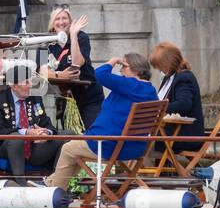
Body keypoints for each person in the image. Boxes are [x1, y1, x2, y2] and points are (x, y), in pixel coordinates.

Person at [46, 52, 158, 189]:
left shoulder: (130, 85)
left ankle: (54, 192)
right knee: (75, 150)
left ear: (135, 69)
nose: (121, 70)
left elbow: (98, 74)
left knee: (68, 148)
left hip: (110, 146)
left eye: (124, 66)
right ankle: (51, 183)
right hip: (135, 147)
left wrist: (113, 60)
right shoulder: (150, 91)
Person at [0, 60, 62, 183]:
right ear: (14, 85)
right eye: (26, 82)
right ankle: (21, 186)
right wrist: (26, 132)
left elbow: (46, 122)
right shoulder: (0, 100)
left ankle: (55, 181)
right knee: (16, 139)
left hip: (35, 148)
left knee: (67, 135)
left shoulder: (35, 98)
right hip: (9, 148)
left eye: (31, 81)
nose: (30, 85)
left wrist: (46, 133)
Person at [39, 6, 104, 129]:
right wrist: (60, 76)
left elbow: (77, 63)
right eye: (57, 19)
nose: (61, 22)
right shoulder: (46, 43)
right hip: (66, 100)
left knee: (92, 135)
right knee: (70, 138)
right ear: (52, 24)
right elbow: (42, 71)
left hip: (89, 98)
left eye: (65, 18)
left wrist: (73, 35)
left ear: (70, 21)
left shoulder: (81, 37)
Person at [149, 41, 204, 149]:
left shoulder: (184, 78)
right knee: (139, 139)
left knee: (139, 142)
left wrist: (157, 108)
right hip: (170, 132)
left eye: (159, 65)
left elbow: (183, 105)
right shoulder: (170, 77)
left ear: (167, 62)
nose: (158, 69)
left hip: (184, 135)